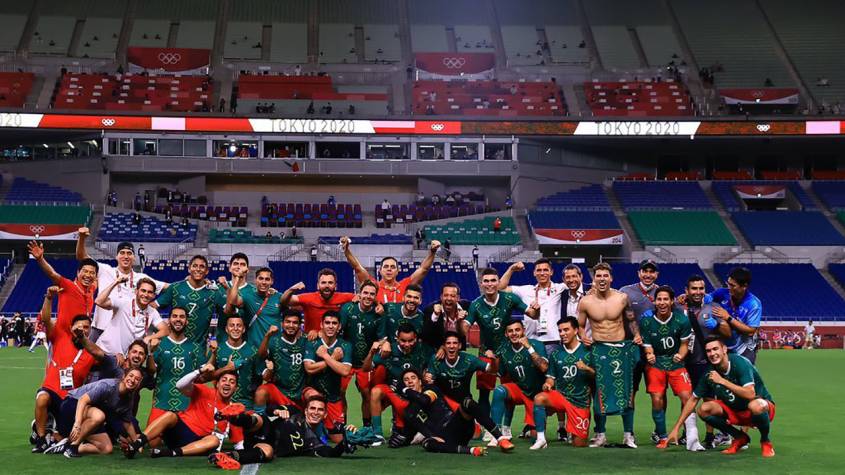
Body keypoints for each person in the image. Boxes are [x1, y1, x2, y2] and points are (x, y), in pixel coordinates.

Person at [665, 337, 776, 458]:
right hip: (735, 410)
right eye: (708, 351)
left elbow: (750, 394)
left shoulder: (740, 363)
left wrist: (722, 381)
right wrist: (676, 428)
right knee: (703, 409)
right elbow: (693, 400)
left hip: (760, 408)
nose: (712, 354)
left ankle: (765, 441)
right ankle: (739, 437)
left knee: (756, 405)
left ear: (724, 349)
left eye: (715, 349)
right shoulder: (709, 373)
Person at [576, 262, 640, 448]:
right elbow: (580, 325)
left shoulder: (622, 298)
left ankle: (628, 435)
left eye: (605, 275)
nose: (602, 279)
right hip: (598, 349)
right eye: (598, 276)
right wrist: (583, 336)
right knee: (599, 393)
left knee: (626, 392)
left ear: (611, 278)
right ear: (594, 279)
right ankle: (600, 434)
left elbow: (631, 320)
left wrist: (636, 335)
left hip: (621, 349)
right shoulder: (586, 301)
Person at [463, 268, 539, 421]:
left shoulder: (510, 298)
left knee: (509, 391)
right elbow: (465, 328)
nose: (490, 284)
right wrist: (461, 321)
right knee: (484, 393)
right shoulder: (475, 305)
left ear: (499, 282)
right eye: (486, 281)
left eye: (493, 280)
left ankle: (506, 427)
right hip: (486, 353)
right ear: (481, 284)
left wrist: (537, 309)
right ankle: (487, 427)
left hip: (507, 353)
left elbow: (533, 315)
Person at [209, 395, 357, 469]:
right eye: (312, 408)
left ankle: (227, 457)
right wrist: (277, 411)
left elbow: (331, 452)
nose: (315, 412)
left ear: (325, 415)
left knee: (268, 452)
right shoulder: (294, 412)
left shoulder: (314, 442)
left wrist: (347, 441)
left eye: (320, 410)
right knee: (260, 420)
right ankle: (231, 417)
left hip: (263, 446)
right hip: (262, 428)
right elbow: (269, 408)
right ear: (306, 410)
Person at [125, 367, 243, 459]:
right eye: (224, 380)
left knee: (214, 440)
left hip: (198, 443)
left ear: (236, 388)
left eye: (232, 382)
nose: (227, 383)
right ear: (217, 384)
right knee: (171, 415)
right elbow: (180, 385)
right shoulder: (205, 391)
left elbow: (239, 443)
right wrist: (199, 371)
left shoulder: (234, 411)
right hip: (180, 430)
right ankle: (136, 445)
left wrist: (241, 455)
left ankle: (169, 453)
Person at [640, 286, 703, 450]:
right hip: (656, 364)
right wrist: (649, 354)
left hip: (676, 364)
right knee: (657, 398)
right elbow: (647, 346)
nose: (662, 302)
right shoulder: (646, 322)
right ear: (654, 302)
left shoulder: (681, 320)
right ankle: (662, 436)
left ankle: (691, 436)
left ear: (672, 301)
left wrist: (681, 355)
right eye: (659, 299)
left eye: (665, 299)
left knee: (687, 396)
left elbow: (684, 344)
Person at [76, 228, 167, 341]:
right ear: (116, 256)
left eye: (129, 253)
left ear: (134, 258)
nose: (126, 256)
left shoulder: (142, 278)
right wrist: (82, 238)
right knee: (91, 352)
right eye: (122, 253)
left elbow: (169, 288)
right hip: (100, 328)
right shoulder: (105, 270)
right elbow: (82, 256)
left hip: (125, 330)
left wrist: (157, 303)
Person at [47, 368, 145, 458]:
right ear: (124, 376)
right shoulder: (108, 386)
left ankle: (66, 446)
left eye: (137, 379)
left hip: (91, 415)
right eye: (131, 376)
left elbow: (127, 423)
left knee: (106, 448)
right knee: (99, 416)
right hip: (72, 404)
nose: (132, 380)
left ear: (139, 384)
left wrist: (137, 444)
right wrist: (77, 424)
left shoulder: (129, 398)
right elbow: (82, 400)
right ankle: (73, 447)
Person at [682, 274, 731, 448]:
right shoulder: (679, 308)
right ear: (687, 290)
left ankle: (709, 436)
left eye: (701, 288)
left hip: (705, 361)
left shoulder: (714, 308)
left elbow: (727, 333)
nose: (698, 292)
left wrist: (717, 325)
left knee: (709, 399)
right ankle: (687, 433)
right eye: (694, 288)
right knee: (686, 397)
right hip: (685, 361)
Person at [401, 369, 499, 456]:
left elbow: (424, 400)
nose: (410, 381)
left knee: (467, 402)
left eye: (413, 378)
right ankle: (471, 450)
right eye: (406, 380)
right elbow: (419, 429)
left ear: (420, 381)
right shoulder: (409, 411)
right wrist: (431, 436)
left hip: (456, 426)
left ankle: (500, 438)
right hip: (445, 439)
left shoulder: (430, 389)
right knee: (427, 443)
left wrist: (405, 390)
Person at [362, 323, 432, 444]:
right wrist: (371, 353)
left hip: (414, 394)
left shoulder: (423, 349)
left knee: (405, 432)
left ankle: (411, 427)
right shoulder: (388, 350)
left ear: (415, 338)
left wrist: (430, 372)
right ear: (397, 339)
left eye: (410, 341)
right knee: (375, 391)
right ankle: (377, 434)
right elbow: (365, 368)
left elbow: (437, 358)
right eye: (403, 341)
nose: (407, 344)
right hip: (393, 391)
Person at [533, 316, 594, 448]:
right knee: (539, 398)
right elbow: (551, 377)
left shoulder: (588, 351)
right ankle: (541, 439)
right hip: (561, 397)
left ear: (576, 330)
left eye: (566, 330)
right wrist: (548, 384)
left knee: (579, 444)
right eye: (560, 331)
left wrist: (587, 368)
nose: (562, 334)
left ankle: (572, 429)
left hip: (580, 402)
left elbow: (599, 377)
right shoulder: (556, 354)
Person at [487, 320, 548, 451]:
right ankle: (496, 435)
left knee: (535, 436)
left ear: (523, 330)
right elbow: (499, 373)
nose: (514, 333)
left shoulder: (537, 344)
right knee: (499, 391)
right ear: (506, 334)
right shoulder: (504, 350)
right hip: (519, 390)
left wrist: (529, 348)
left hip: (537, 395)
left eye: (517, 330)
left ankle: (536, 429)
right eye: (510, 331)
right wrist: (493, 360)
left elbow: (544, 368)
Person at [145, 306, 205, 427]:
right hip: (161, 402)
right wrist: (150, 352)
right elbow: (151, 370)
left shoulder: (195, 347)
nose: (178, 319)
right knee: (151, 438)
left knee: (188, 437)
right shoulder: (160, 344)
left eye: (182, 317)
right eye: (175, 316)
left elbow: (203, 377)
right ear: (169, 320)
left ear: (186, 321)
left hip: (187, 405)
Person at [341, 236, 440, 304]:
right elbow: (357, 267)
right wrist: (346, 251)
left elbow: (423, 269)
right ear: (380, 270)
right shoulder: (373, 287)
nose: (389, 269)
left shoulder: (405, 285)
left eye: (392, 267)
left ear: (397, 271)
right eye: (386, 267)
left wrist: (432, 252)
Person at [303, 311, 352, 441]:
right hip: (313, 390)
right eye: (327, 323)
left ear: (339, 326)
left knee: (339, 439)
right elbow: (309, 368)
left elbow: (345, 371)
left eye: (334, 323)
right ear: (321, 325)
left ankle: (323, 430)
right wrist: (334, 359)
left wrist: (325, 356)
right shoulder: (312, 343)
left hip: (333, 397)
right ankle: (315, 433)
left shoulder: (345, 345)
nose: (330, 326)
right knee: (313, 395)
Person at [339, 281, 382, 428]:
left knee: (366, 393)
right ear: (359, 293)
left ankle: (367, 426)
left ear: (375, 296)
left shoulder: (378, 314)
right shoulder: (347, 309)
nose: (368, 296)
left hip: (365, 361)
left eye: (372, 294)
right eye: (365, 293)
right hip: (346, 359)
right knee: (340, 391)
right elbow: (339, 332)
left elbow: (381, 338)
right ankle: (342, 424)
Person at [499, 259, 566, 354]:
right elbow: (500, 289)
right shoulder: (526, 290)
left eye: (545, 270)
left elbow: (577, 284)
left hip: (552, 341)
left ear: (551, 272)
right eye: (539, 270)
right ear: (534, 273)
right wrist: (511, 269)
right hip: (530, 341)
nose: (542, 273)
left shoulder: (559, 288)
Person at [94, 276, 168, 357]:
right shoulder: (124, 302)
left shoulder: (152, 312)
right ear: (136, 291)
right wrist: (116, 282)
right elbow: (99, 301)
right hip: (104, 352)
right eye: (143, 291)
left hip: (124, 359)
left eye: (150, 292)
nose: (146, 295)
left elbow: (166, 330)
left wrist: (151, 337)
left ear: (153, 295)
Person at [155, 255, 218, 346]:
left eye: (202, 266)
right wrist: (161, 327)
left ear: (207, 271)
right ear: (189, 269)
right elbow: (153, 306)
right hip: (173, 346)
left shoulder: (213, 293)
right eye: (195, 266)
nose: (198, 269)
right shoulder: (175, 288)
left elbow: (228, 311)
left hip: (199, 348)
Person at [255, 311, 307, 411]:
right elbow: (261, 355)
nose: (291, 325)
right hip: (278, 391)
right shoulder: (273, 341)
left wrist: (316, 333)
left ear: (300, 325)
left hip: (299, 392)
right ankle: (260, 418)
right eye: (288, 322)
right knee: (261, 393)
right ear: (282, 324)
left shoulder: (305, 341)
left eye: (295, 323)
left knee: (313, 395)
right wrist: (267, 335)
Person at [282, 268, 355, 338]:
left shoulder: (345, 297)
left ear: (335, 286)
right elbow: (284, 301)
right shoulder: (308, 298)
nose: (327, 286)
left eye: (330, 283)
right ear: (318, 285)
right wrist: (292, 289)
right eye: (323, 282)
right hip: (310, 340)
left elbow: (360, 297)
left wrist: (358, 297)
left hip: (334, 340)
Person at [710, 267, 762, 363]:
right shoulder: (721, 293)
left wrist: (728, 318)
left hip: (744, 349)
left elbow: (751, 331)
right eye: (728, 283)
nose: (729, 287)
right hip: (724, 346)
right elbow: (705, 299)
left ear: (744, 286)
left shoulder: (754, 304)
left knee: (744, 371)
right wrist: (687, 297)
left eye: (732, 285)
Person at [227, 267, 286, 347]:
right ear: (255, 280)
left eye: (267, 279)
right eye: (260, 278)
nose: (263, 282)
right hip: (253, 348)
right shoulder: (248, 297)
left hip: (275, 348)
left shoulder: (279, 297)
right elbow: (232, 301)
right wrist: (237, 278)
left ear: (272, 281)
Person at [214, 315, 263, 410]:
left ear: (243, 329)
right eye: (232, 325)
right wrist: (226, 369)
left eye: (239, 325)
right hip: (221, 403)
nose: (235, 328)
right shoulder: (218, 349)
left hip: (246, 404)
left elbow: (259, 377)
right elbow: (208, 376)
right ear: (226, 329)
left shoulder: (253, 351)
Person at [213, 253, 250, 344]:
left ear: (247, 270)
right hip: (222, 342)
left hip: (246, 343)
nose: (239, 267)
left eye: (242, 264)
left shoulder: (254, 291)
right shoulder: (218, 289)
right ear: (229, 268)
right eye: (235, 264)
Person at [421, 283, 470, 350]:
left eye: (452, 296)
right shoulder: (430, 309)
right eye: (446, 295)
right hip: (438, 350)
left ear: (458, 298)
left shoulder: (466, 306)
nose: (449, 298)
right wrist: (435, 315)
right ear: (441, 297)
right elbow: (425, 335)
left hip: (459, 351)